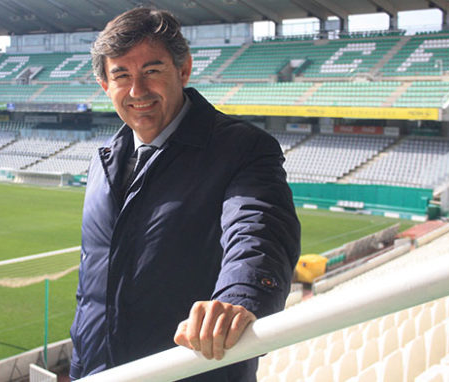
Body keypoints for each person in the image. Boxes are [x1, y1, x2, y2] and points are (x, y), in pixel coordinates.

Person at [70, 7, 301, 381]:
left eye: (152, 71)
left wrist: (236, 300)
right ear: (104, 85)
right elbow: (93, 285)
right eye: (122, 75)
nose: (137, 91)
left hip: (191, 371)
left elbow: (258, 233)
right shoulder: (104, 161)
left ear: (184, 70)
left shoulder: (242, 149)